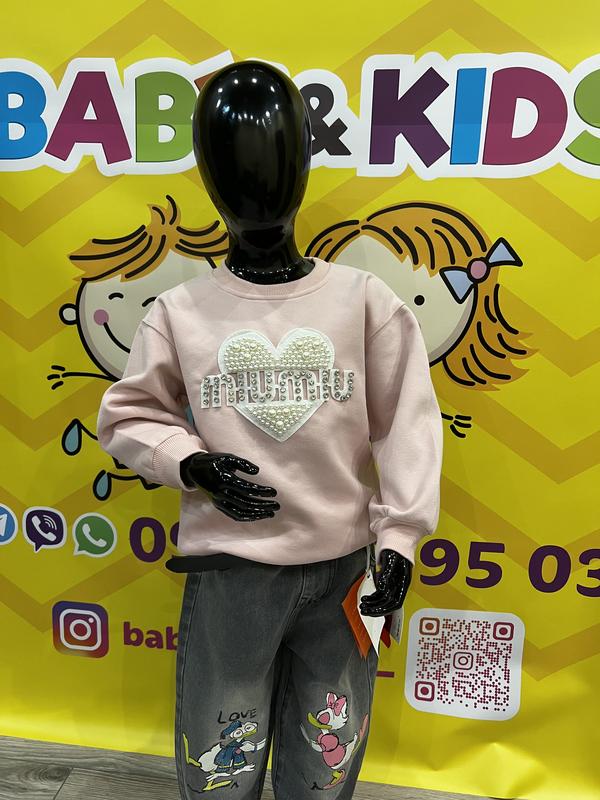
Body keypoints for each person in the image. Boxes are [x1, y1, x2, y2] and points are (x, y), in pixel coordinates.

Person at [96, 60, 443, 799]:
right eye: (233, 161)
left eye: (276, 153)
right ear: (208, 178)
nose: (258, 178)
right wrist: (189, 462)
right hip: (233, 573)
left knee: (326, 759)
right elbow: (128, 415)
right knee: (221, 762)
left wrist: (399, 539)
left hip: (346, 570)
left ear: (305, 164)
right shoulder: (181, 313)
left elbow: (407, 422)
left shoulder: (363, 302)